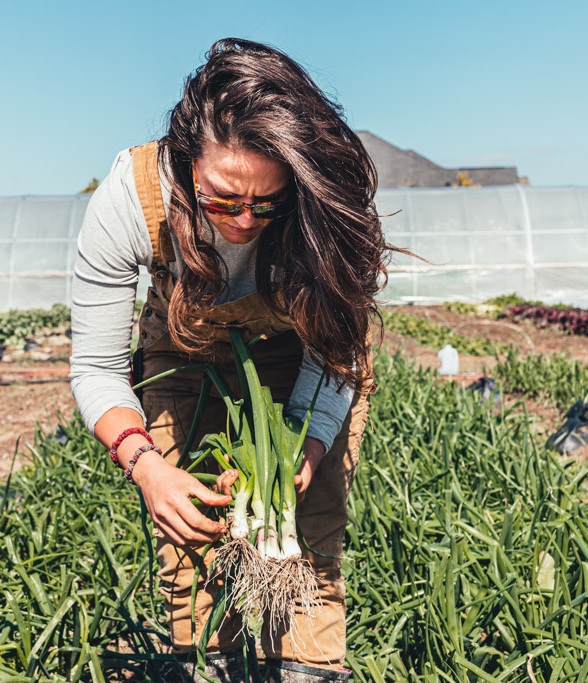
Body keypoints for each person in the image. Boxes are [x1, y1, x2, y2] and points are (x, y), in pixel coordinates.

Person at [69, 38, 402, 680]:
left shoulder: (325, 205)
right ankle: (208, 664)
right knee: (190, 535)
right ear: (189, 163)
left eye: (266, 204)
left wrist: (306, 449)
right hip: (183, 347)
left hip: (300, 347)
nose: (245, 220)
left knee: (313, 524)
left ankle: (306, 665)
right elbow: (96, 370)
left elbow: (336, 350)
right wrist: (146, 468)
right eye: (223, 199)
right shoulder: (129, 200)